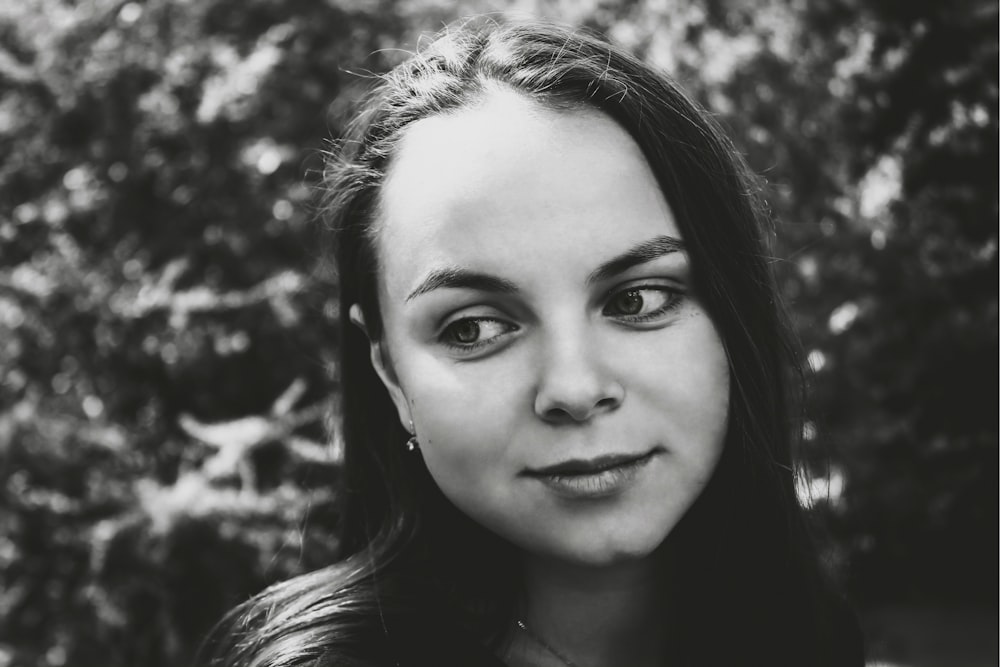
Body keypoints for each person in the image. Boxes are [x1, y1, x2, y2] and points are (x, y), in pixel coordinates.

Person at [200, 17, 864, 667]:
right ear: (392, 376)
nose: (574, 389)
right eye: (474, 328)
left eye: (636, 300)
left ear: (732, 314)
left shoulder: (805, 635)